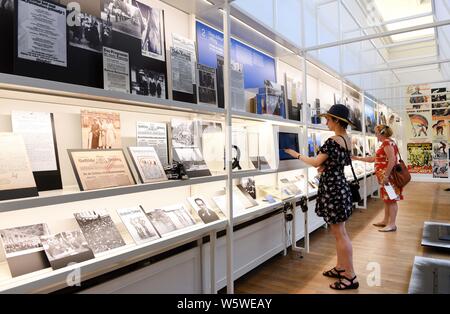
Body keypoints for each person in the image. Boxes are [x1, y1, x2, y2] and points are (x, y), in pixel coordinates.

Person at [284, 104, 358, 290]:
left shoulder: (332, 141)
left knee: (340, 233)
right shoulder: (347, 140)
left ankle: (350, 275)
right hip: (340, 186)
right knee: (338, 232)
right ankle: (341, 267)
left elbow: (315, 161)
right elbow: (335, 162)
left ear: (336, 121)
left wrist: (297, 154)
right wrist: (327, 166)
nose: (326, 122)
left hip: (333, 189)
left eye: (328, 119)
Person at [352, 125, 402, 232]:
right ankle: (386, 220)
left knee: (392, 199)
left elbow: (392, 159)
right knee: (387, 199)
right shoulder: (387, 143)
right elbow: (373, 159)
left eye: (376, 133)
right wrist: (357, 158)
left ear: (382, 133)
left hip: (389, 178)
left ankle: (392, 224)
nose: (376, 135)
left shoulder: (387, 143)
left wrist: (386, 176)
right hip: (386, 178)